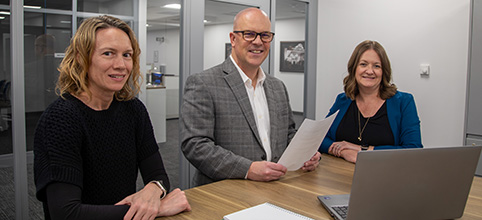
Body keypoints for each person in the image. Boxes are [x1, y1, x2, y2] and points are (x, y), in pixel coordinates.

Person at [34, 15, 191, 220]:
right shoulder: (60, 120)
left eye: (127, 55)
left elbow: (159, 176)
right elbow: (66, 213)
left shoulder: (133, 110)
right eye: (108, 53)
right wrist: (157, 208)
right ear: (82, 57)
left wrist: (154, 189)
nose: (121, 65)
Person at [180, 8, 321, 187]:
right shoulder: (203, 83)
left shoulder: (278, 87)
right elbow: (195, 145)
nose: (258, 42)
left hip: (275, 188)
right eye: (249, 34)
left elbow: (288, 133)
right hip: (224, 193)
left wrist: (306, 152)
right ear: (233, 38)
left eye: (265, 35)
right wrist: (248, 169)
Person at [319, 40, 423, 163]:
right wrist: (344, 152)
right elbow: (320, 139)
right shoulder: (343, 100)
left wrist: (361, 150)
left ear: (384, 71)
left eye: (376, 66)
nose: (369, 71)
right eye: (363, 64)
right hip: (340, 176)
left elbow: (413, 150)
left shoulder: (404, 102)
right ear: (354, 69)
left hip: (387, 176)